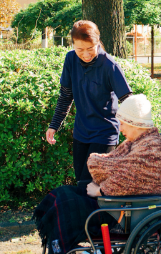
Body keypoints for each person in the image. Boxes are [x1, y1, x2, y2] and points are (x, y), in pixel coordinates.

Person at [34, 94, 161, 254]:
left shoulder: (151, 149)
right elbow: (117, 165)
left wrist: (101, 190)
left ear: (136, 124)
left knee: (66, 205)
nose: (121, 129)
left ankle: (60, 248)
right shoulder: (137, 142)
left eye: (123, 124)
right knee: (62, 193)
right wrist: (101, 164)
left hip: (123, 212)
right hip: (118, 204)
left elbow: (130, 181)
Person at [46, 20, 133, 190]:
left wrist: (136, 132)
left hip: (104, 133)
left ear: (98, 42)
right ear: (73, 46)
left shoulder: (109, 65)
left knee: (92, 186)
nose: (85, 54)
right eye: (80, 49)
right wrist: (54, 125)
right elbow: (66, 95)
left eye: (90, 48)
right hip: (81, 132)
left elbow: (128, 99)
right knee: (81, 184)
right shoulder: (70, 59)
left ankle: (101, 217)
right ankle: (88, 217)